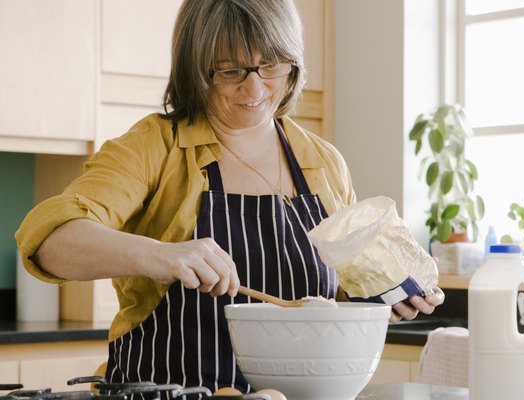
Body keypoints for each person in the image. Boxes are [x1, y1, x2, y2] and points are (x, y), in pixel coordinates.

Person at [15, 0, 444, 393]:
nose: (255, 91)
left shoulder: (322, 162)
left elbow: (341, 297)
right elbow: (49, 241)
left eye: (271, 65)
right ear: (195, 69)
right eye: (230, 70)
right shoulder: (154, 146)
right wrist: (160, 256)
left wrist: (384, 298)